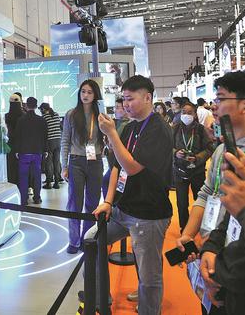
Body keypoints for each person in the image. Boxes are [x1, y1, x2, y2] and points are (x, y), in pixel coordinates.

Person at [174, 70, 245, 315]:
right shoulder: (222, 151)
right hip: (214, 256)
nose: (214, 107)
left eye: (221, 99)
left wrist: (221, 273)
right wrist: (191, 236)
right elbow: (207, 194)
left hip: (240, 276)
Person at [91, 75, 173, 315]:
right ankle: (100, 300)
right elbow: (116, 165)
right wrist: (107, 201)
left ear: (147, 97)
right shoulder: (131, 126)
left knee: (149, 277)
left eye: (130, 99)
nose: (126, 104)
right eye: (123, 99)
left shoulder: (159, 129)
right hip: (122, 209)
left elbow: (132, 168)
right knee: (92, 243)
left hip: (148, 214)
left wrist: (111, 134)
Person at [200, 150, 245, 314]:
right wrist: (210, 249)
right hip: (227, 281)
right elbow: (228, 218)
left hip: (243, 291)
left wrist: (216, 273)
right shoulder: (227, 153)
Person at [61, 79, 105, 254]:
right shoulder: (71, 114)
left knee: (93, 203)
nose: (85, 95)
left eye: (89, 92)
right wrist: (64, 166)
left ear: (95, 96)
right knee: (74, 202)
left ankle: (88, 239)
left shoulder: (100, 115)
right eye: (83, 92)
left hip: (96, 161)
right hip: (76, 162)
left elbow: (108, 138)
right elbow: (65, 140)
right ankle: (73, 240)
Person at [172, 102, 214, 232]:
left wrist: (197, 158)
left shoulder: (201, 130)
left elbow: (209, 149)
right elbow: (167, 147)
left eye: (189, 112)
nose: (186, 115)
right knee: (181, 203)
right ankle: (184, 228)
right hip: (179, 172)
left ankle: (200, 226)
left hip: (197, 171)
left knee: (199, 201)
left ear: (195, 114)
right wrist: (175, 153)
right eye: (184, 112)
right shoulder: (175, 129)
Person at [13, 97, 47, 205]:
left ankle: (24, 199)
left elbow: (17, 136)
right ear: (36, 106)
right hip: (37, 152)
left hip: (24, 152)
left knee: (23, 176)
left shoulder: (21, 120)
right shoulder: (41, 120)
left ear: (26, 106)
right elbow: (45, 136)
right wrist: (45, 150)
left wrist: (17, 150)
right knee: (37, 176)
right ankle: (37, 197)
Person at [102, 98, 130, 198]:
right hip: (115, 162)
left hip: (121, 164)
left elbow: (116, 143)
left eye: (118, 107)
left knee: (109, 183)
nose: (115, 110)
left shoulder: (126, 125)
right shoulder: (117, 123)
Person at [39, 103, 62, 189]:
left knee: (49, 162)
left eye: (41, 109)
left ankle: (49, 183)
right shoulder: (56, 115)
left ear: (43, 109)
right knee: (56, 162)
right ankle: (56, 182)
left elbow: (43, 132)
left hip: (50, 141)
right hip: (58, 140)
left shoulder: (44, 117)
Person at [6, 93, 24, 186]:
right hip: (23, 145)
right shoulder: (24, 115)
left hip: (11, 144)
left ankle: (13, 186)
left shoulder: (7, 116)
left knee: (12, 168)